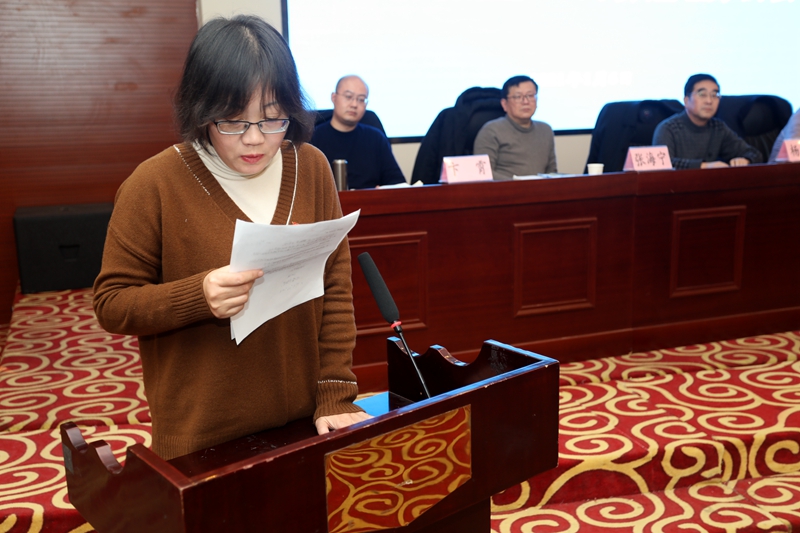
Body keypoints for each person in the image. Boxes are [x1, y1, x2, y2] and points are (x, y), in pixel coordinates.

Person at [93, 15, 370, 460]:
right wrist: (198, 296)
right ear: (201, 110)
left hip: (303, 422)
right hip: (202, 433)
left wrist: (335, 392)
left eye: (273, 119)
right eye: (233, 121)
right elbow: (112, 303)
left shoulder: (311, 167)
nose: (255, 139)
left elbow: (335, 286)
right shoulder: (154, 184)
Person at [310, 75, 406, 189]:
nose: (354, 104)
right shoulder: (312, 138)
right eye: (348, 96)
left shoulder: (376, 138)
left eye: (361, 99)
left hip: (369, 200)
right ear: (334, 97)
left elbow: (397, 184)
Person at [652, 74, 761, 169]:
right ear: (686, 101)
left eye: (714, 95)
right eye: (702, 94)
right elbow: (662, 164)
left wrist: (746, 160)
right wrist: (704, 166)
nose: (709, 101)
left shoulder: (718, 128)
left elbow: (755, 154)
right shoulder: (668, 128)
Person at [473, 75, 557, 179]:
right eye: (518, 96)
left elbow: (552, 173)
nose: (525, 101)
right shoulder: (491, 130)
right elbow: (483, 173)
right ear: (504, 104)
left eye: (530, 95)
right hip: (505, 188)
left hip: (540, 189)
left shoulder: (545, 130)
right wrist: (520, 185)